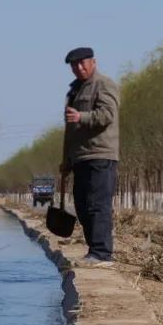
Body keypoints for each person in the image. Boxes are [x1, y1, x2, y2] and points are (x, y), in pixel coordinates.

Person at [60, 47, 120, 267]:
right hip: (80, 157)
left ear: (93, 62)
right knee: (83, 205)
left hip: (100, 154)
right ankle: (93, 250)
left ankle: (102, 253)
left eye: (82, 63)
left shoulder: (103, 84)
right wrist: (66, 159)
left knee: (97, 205)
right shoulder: (74, 91)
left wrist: (81, 116)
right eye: (74, 65)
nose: (78, 67)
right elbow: (70, 131)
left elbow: (107, 114)